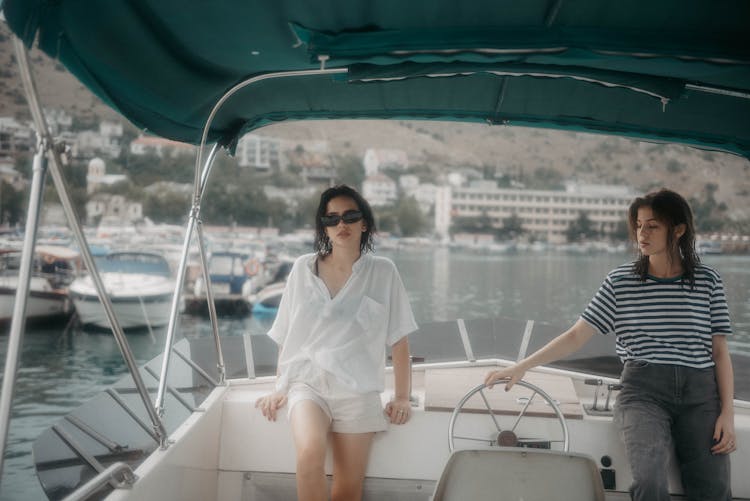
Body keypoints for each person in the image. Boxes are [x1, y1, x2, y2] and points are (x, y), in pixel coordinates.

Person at [484, 188, 735, 501]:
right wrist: (522, 367)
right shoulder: (621, 281)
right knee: (649, 483)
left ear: (679, 230)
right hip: (644, 393)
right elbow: (576, 335)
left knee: (713, 490)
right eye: (639, 225)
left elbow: (720, 352)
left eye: (653, 226)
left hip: (701, 396)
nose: (642, 234)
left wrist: (727, 413)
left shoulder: (708, 281)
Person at [255, 184, 417, 501]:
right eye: (332, 219)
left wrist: (402, 397)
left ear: (364, 223)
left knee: (346, 490)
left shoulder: (383, 271)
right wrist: (279, 386)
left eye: (350, 216)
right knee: (309, 456)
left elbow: (399, 340)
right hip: (307, 383)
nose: (341, 225)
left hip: (358, 391)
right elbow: (287, 334)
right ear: (324, 226)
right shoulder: (303, 268)